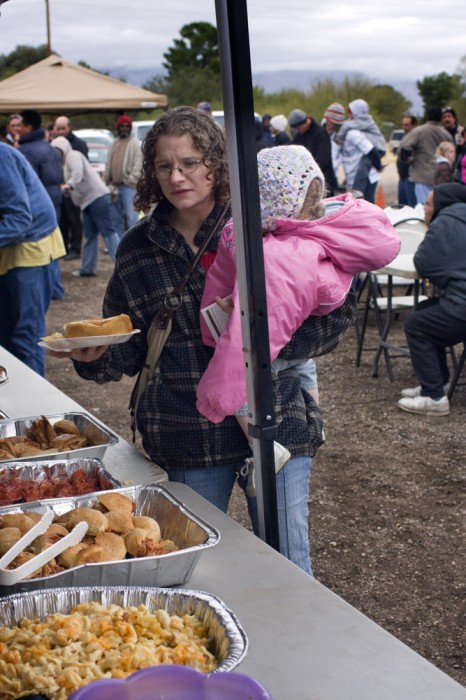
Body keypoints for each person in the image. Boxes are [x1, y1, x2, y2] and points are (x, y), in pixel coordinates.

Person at [48, 106, 360, 576]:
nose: (177, 176)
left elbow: (333, 321)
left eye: (190, 162)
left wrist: (255, 342)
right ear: (151, 172)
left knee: (289, 565)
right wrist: (95, 357)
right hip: (184, 431)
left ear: (215, 161)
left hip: (275, 422)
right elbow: (130, 347)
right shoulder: (139, 247)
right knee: (192, 568)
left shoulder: (263, 223)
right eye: (164, 166)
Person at [196, 145, 400, 492]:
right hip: (315, 299)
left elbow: (252, 343)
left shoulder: (278, 255)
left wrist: (214, 397)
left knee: (248, 371)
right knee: (304, 366)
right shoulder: (335, 221)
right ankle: (315, 422)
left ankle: (264, 449)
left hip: (290, 304)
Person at [398, 183, 466, 416]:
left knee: (416, 325)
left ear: (441, 204)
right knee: (425, 310)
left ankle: (434, 398)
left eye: (428, 203)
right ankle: (440, 382)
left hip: (462, 307)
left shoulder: (445, 221)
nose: (425, 208)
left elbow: (424, 264)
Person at [0, 143, 65, 376]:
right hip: (9, 251)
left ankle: (33, 408)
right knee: (5, 337)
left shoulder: (1, 157)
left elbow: (19, 217)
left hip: (32, 250)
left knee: (25, 336)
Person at [51, 136, 121, 277]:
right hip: (87, 201)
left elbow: (77, 173)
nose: (56, 153)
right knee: (90, 235)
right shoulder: (64, 163)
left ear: (63, 148)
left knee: (108, 231)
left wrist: (68, 185)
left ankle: (123, 265)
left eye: (57, 150)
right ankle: (87, 269)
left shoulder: (73, 155)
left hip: (96, 197)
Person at [18, 109, 66, 301]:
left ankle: (52, 289)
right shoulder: (48, 146)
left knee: (43, 247)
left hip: (41, 201)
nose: (18, 129)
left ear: (28, 127)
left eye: (20, 125)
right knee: (52, 245)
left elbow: (27, 184)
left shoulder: (27, 151)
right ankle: (56, 288)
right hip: (55, 197)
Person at [323, 102, 382, 202]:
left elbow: (370, 150)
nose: (325, 123)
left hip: (367, 179)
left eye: (328, 120)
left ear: (334, 122)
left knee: (367, 210)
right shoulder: (335, 136)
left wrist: (379, 166)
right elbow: (336, 160)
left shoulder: (352, 134)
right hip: (353, 180)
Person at [398, 106, 453, 205]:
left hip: (421, 176)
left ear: (427, 117)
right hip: (442, 177)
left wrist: (408, 160)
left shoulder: (419, 131)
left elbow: (404, 148)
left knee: (422, 209)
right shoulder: (446, 134)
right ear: (441, 118)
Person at [53, 115, 88, 260]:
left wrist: (71, 184)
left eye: (63, 128)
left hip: (74, 189)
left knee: (75, 220)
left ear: (69, 127)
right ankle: (64, 248)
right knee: (63, 221)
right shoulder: (54, 144)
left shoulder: (78, 144)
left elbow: (81, 170)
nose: (60, 131)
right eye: (58, 128)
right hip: (61, 188)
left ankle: (75, 249)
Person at [105, 114, 142, 237]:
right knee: (116, 221)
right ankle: (120, 250)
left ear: (130, 128)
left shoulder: (135, 143)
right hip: (114, 187)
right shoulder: (113, 143)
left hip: (129, 187)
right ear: (118, 127)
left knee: (132, 219)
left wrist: (130, 180)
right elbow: (107, 164)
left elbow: (139, 165)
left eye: (127, 126)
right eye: (122, 126)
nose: (125, 128)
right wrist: (107, 182)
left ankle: (135, 247)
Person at [288, 108, 336, 195]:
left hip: (324, 181)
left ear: (305, 122)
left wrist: (307, 170)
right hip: (306, 182)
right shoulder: (298, 137)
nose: (298, 131)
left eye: (298, 128)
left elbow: (324, 159)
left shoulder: (321, 133)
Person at [396, 115, 418, 206]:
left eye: (407, 125)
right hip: (402, 176)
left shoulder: (416, 138)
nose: (404, 127)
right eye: (403, 125)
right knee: (402, 206)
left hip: (411, 177)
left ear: (414, 125)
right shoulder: (405, 137)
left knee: (411, 205)